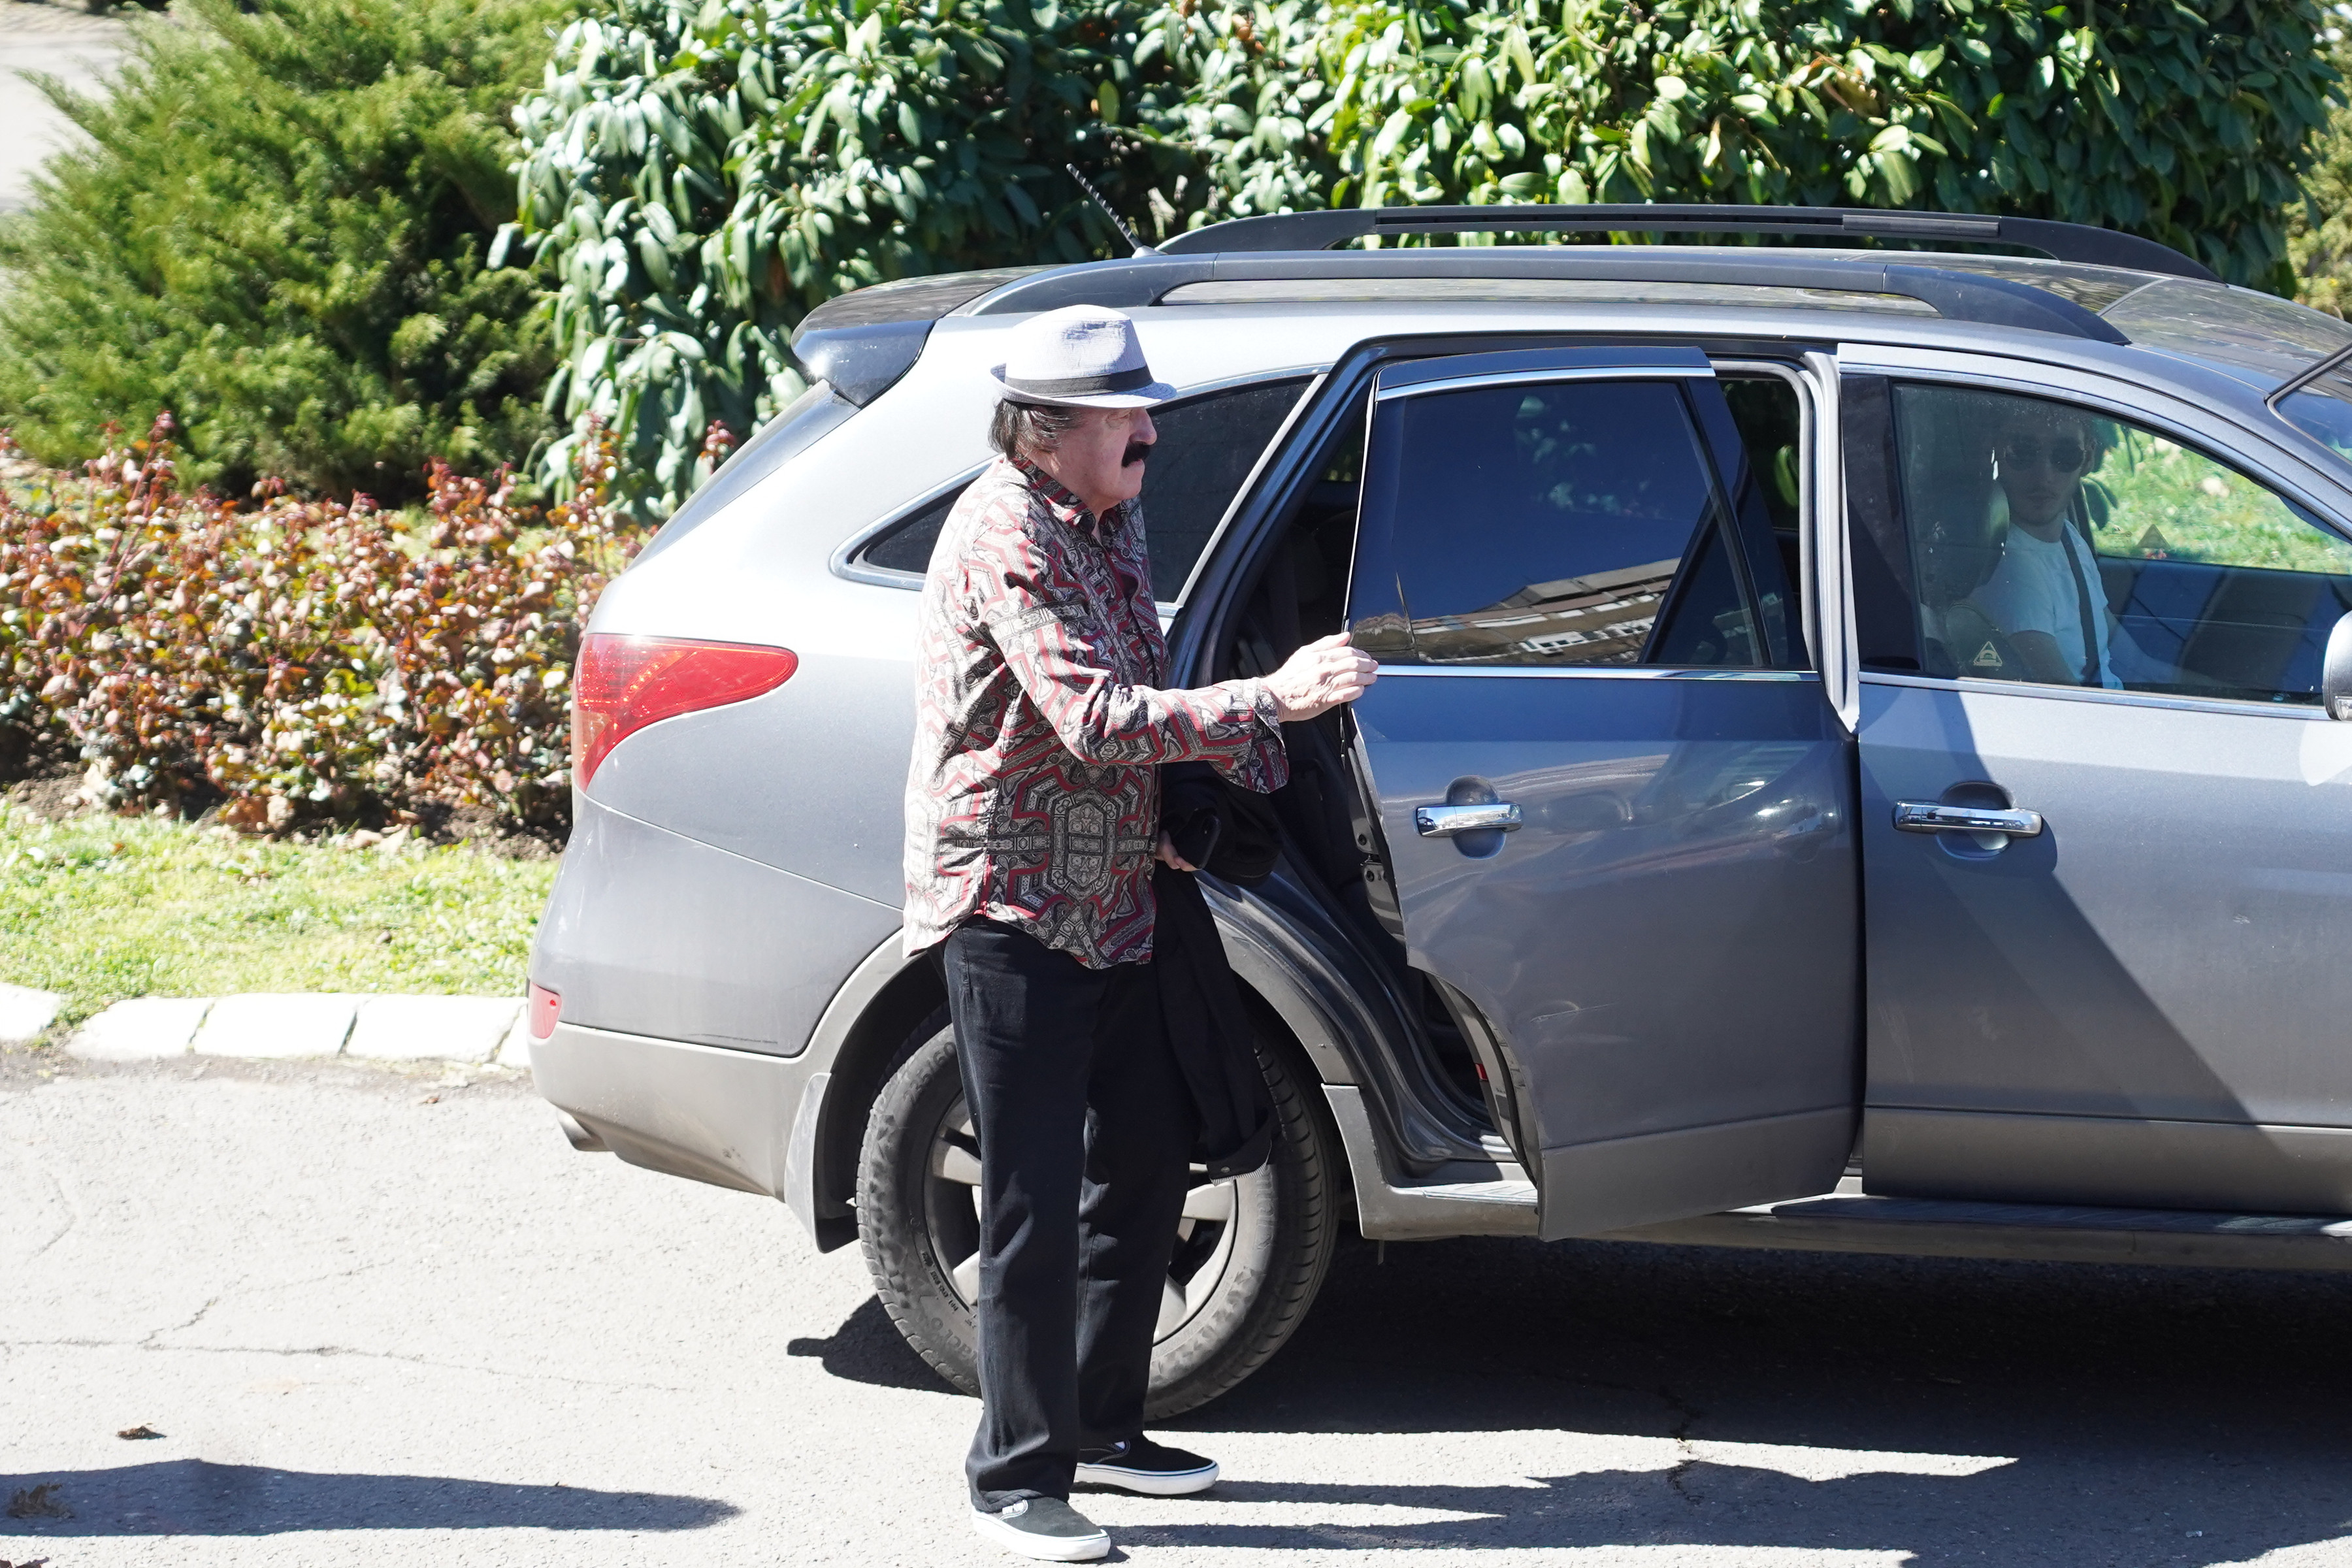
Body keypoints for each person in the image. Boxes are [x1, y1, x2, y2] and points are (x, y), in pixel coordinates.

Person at [902, 304, 1378, 1563]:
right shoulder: (1007, 532)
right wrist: (1269, 700)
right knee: (1031, 1197)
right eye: (1126, 417)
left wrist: (1187, 807)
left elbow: (1143, 684)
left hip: (1116, 895)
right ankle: (1014, 1479)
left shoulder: (1107, 515)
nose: (1150, 436)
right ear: (1045, 430)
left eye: (1145, 412)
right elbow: (1097, 717)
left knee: (1148, 1162)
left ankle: (1106, 1425)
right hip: (1013, 904)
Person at [1972, 402, 2142, 687]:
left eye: (2065, 455)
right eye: (2023, 452)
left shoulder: (2068, 537)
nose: (2044, 476)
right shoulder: (2012, 568)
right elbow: (2063, 697)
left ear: (2088, 458)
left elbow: (2134, 663)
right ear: (1995, 449)